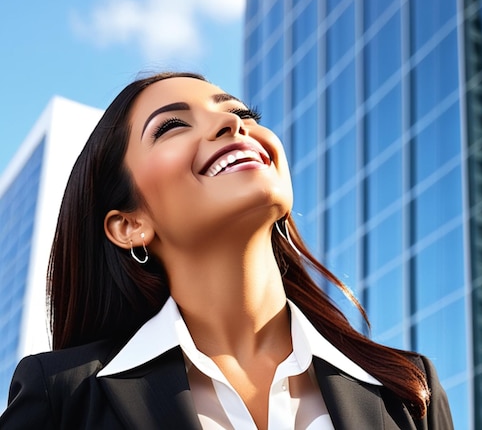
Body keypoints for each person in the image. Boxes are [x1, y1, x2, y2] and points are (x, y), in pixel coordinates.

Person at [0, 72, 453, 429]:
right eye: (173, 125)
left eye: (243, 112)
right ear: (129, 224)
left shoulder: (409, 390)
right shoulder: (63, 396)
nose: (233, 123)